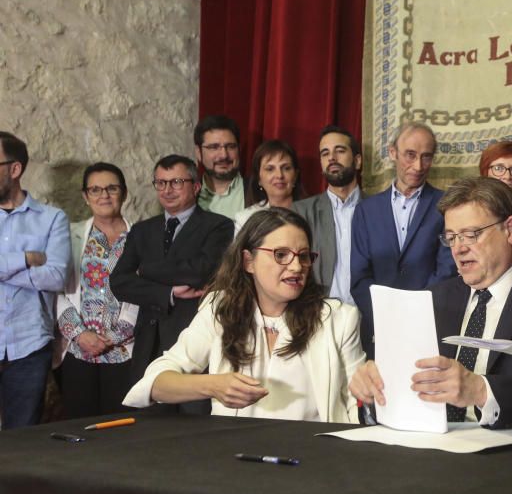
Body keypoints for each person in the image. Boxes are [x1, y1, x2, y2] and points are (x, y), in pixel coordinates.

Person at [350, 177, 512, 428]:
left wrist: (481, 391)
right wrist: (376, 391)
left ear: (511, 230)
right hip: (432, 452)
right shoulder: (433, 299)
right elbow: (409, 387)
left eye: (471, 235)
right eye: (451, 237)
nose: (458, 248)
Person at [123, 208, 364, 421]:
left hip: (315, 458)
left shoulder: (338, 319)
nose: (296, 267)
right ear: (249, 261)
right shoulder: (220, 309)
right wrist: (212, 385)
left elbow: (357, 404)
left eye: (303, 256)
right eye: (281, 254)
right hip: (236, 460)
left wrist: (371, 392)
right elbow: (154, 384)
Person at [109, 155, 234, 414]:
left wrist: (145, 270)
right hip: (148, 342)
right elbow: (119, 281)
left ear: (196, 186)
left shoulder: (218, 225)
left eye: (176, 182)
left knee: (194, 424)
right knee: (148, 428)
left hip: (191, 340)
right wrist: (167, 292)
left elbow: (200, 271)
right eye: (161, 183)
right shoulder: (143, 230)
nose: (167, 190)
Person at [351, 122, 456, 358]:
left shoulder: (447, 206)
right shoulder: (366, 211)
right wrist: (386, 316)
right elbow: (359, 277)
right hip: (379, 332)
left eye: (426, 157)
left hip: (430, 327)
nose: (418, 166)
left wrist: (416, 315)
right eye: (410, 155)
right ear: (392, 153)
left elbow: (447, 271)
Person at [56, 163, 139, 418]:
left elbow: (144, 292)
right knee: (78, 424)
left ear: (124, 193)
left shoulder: (142, 236)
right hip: (77, 350)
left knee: (121, 427)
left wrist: (114, 336)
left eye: (111, 188)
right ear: (85, 196)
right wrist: (79, 334)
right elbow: (56, 289)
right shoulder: (70, 234)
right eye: (95, 189)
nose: (104, 195)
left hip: (125, 352)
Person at [0, 131, 70, 428]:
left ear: (14, 169)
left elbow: (55, 276)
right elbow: (42, 270)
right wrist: (27, 258)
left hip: (29, 345)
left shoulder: (52, 218)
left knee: (22, 439)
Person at [294, 125, 363, 304]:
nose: (331, 158)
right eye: (325, 153)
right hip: (319, 314)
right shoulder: (301, 212)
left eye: (339, 151)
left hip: (370, 314)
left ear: (357, 161)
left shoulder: (378, 210)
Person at [234, 139, 306, 236]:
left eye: (286, 168)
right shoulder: (244, 219)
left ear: (295, 175)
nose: (279, 175)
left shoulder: (312, 213)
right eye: (270, 169)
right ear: (259, 179)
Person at [194, 114, 250, 219]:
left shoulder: (258, 191)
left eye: (231, 147)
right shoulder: (189, 194)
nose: (224, 155)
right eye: (214, 147)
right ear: (198, 152)